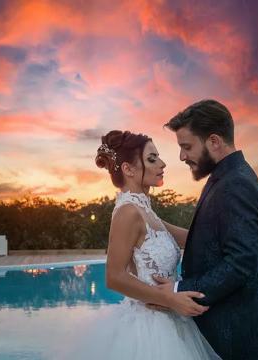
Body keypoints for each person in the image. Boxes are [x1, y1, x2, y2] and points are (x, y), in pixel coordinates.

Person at [69, 130, 220, 359]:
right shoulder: (128, 212)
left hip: (172, 319)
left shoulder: (146, 211)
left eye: (158, 157)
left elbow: (194, 239)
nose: (162, 163)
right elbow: (114, 276)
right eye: (152, 159)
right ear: (128, 169)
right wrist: (169, 298)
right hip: (149, 329)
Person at [153, 99, 258, 359]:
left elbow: (240, 264)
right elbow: (211, 241)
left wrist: (179, 290)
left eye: (187, 146)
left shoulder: (236, 184)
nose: (181, 156)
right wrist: (150, 220)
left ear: (214, 141)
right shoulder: (227, 176)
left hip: (236, 338)